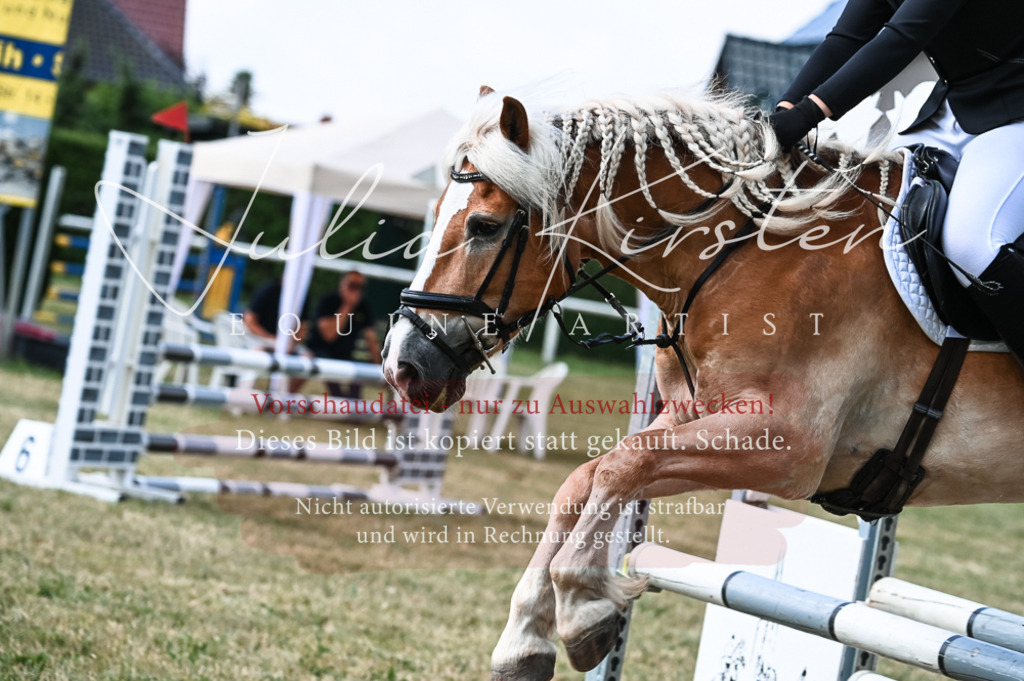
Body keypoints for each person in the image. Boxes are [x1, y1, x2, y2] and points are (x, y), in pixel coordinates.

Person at [768, 0, 1024, 368]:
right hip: (962, 105)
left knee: (970, 246)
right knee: (871, 201)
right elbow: (846, 37)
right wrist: (785, 110)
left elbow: (903, 36)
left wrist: (810, 114)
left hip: (1016, 111)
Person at [303, 271, 382, 398]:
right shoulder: (328, 301)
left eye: (359, 287)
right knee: (329, 371)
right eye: (352, 285)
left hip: (345, 355)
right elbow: (329, 335)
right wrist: (347, 306)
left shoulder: (364, 306)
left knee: (357, 379)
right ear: (342, 284)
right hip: (320, 351)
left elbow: (371, 338)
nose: (355, 291)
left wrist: (379, 368)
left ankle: (352, 409)